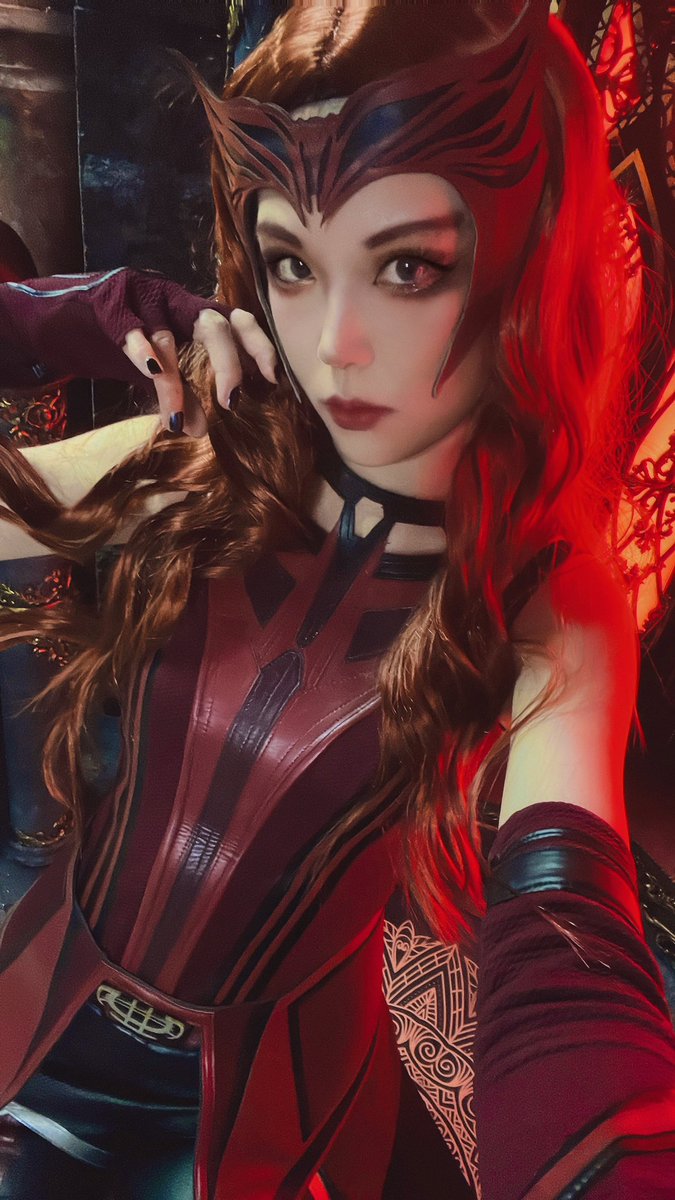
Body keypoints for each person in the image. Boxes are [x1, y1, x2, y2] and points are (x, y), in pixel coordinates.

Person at [0, 2, 673, 1198]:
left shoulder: (548, 594)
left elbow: (568, 951)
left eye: (408, 266)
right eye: (293, 265)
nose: (335, 346)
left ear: (527, 259)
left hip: (270, 1112)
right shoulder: (204, 456)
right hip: (36, 1026)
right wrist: (85, 316)